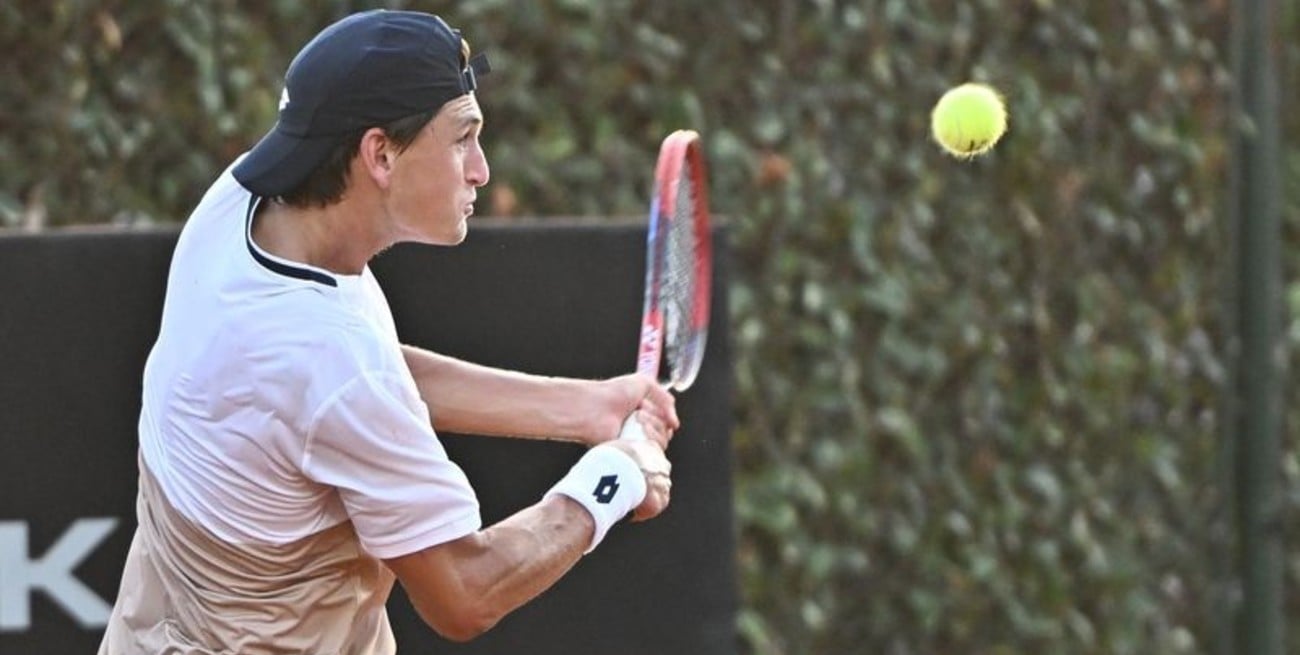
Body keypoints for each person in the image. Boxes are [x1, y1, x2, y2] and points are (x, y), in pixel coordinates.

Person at [97, 9, 679, 654]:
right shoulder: (328, 359)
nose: (481, 169)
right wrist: (616, 477)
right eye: (462, 138)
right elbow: (465, 593)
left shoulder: (242, 207)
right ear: (379, 153)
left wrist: (584, 408)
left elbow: (357, 387)